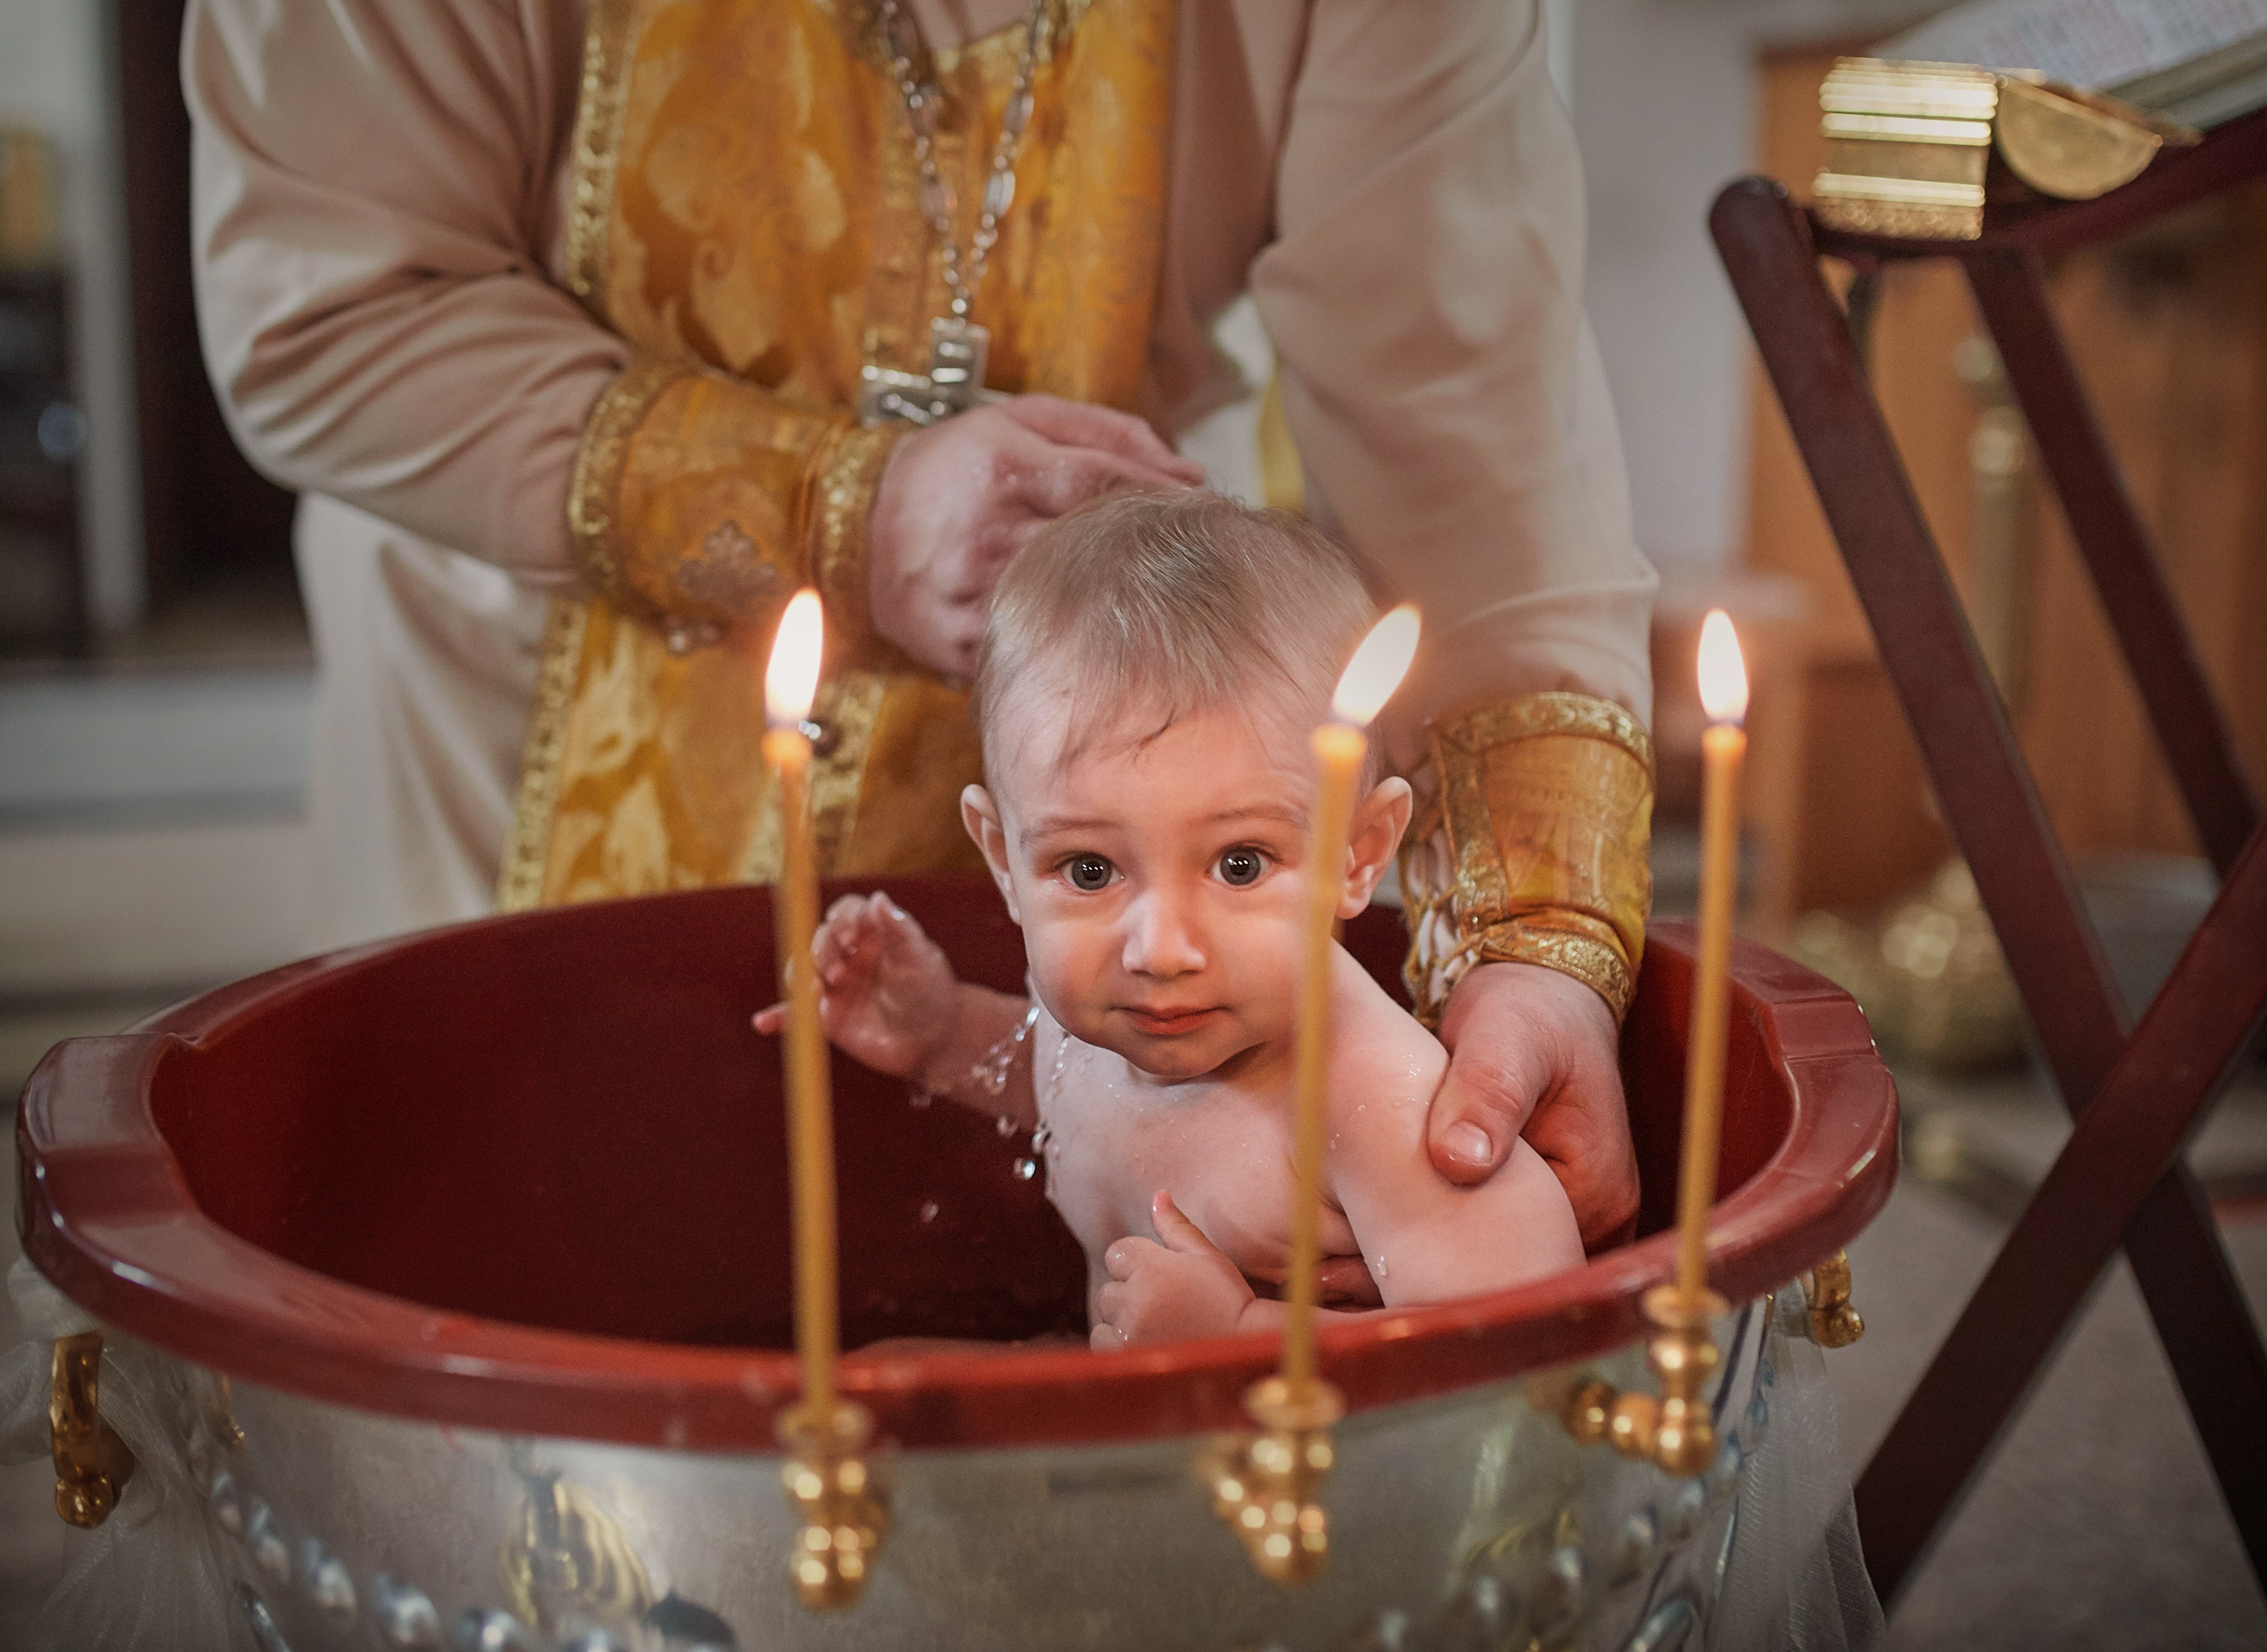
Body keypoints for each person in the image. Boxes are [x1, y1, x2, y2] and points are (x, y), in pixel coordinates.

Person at [186, 0, 1656, 1247]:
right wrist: (848, 512)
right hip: (516, 740)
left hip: (1117, 723)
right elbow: (327, 302)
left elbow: (1467, 433)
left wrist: (1537, 941)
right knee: (517, 1322)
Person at [760, 492, 1583, 1344]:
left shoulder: (1371, 1102)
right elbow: (1061, 1094)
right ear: (1004, 860)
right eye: (1090, 870)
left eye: (1239, 865)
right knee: (892, 1375)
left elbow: (1523, 1343)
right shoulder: (1097, 1024)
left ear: (1359, 854)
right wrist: (940, 1034)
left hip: (1302, 1463)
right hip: (1128, 1423)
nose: (1160, 949)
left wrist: (1240, 1333)